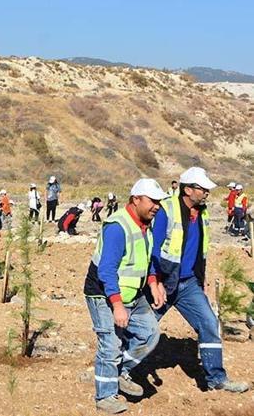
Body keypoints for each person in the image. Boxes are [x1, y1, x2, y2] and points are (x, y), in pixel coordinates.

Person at [150, 167, 249, 393]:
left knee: (209, 323)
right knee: (142, 329)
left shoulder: (201, 213)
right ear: (187, 189)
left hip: (189, 283)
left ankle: (216, 379)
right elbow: (152, 250)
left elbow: (199, 250)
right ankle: (117, 371)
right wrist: (154, 281)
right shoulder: (167, 210)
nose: (206, 193)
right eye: (202, 188)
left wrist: (200, 279)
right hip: (163, 283)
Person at [83, 179, 166, 414]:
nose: (157, 207)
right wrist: (117, 305)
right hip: (103, 293)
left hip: (133, 292)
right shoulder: (118, 227)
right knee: (110, 344)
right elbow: (106, 270)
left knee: (149, 334)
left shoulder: (145, 224)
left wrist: (153, 284)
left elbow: (146, 259)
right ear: (136, 199)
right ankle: (105, 396)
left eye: (159, 202)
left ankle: (118, 372)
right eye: (152, 201)